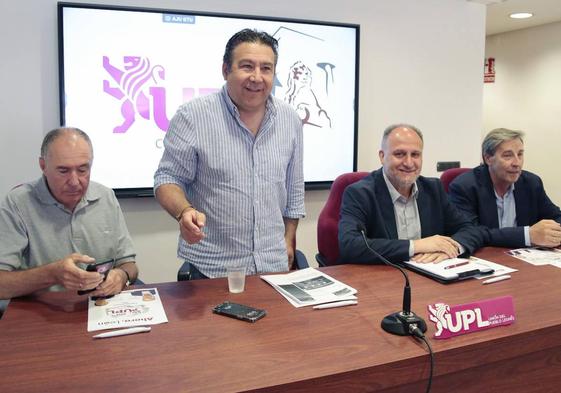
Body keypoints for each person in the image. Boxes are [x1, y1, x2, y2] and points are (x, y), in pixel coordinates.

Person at [154, 29, 305, 279]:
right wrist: (184, 212)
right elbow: (167, 179)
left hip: (273, 266)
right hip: (213, 269)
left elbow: (294, 189)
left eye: (266, 68)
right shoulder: (192, 116)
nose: (257, 77)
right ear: (226, 70)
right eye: (247, 66)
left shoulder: (289, 119)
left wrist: (288, 240)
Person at [0, 128, 138, 316]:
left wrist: (121, 276)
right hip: (42, 313)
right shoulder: (17, 203)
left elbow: (129, 264)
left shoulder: (106, 197)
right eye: (63, 171)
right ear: (43, 166)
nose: (74, 181)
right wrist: (53, 274)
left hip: (98, 309)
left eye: (83, 169)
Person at [338, 124, 485, 264]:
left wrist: (451, 249)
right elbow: (351, 245)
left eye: (415, 154)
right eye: (400, 154)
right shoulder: (359, 193)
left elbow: (470, 229)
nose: (409, 163)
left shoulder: (433, 189)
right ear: (382, 156)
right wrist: (416, 246)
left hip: (431, 276)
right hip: (385, 279)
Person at [449, 128, 561, 248]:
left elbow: (556, 217)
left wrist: (552, 231)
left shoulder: (531, 183)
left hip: (525, 259)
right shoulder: (465, 186)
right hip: (486, 258)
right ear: (488, 158)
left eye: (520, 154)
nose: (517, 163)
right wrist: (527, 235)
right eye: (508, 156)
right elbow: (471, 233)